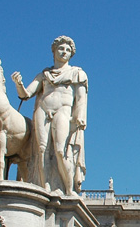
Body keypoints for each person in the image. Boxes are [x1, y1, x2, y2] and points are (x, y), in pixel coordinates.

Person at [12, 36, 88, 195]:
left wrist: (79, 120)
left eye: (68, 50)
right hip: (43, 109)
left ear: (71, 54)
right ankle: (45, 188)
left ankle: (68, 189)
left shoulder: (77, 73)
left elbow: (81, 99)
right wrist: (18, 84)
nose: (64, 52)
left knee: (61, 150)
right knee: (41, 150)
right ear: (54, 51)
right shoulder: (44, 75)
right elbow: (26, 94)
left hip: (63, 110)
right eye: (61, 48)